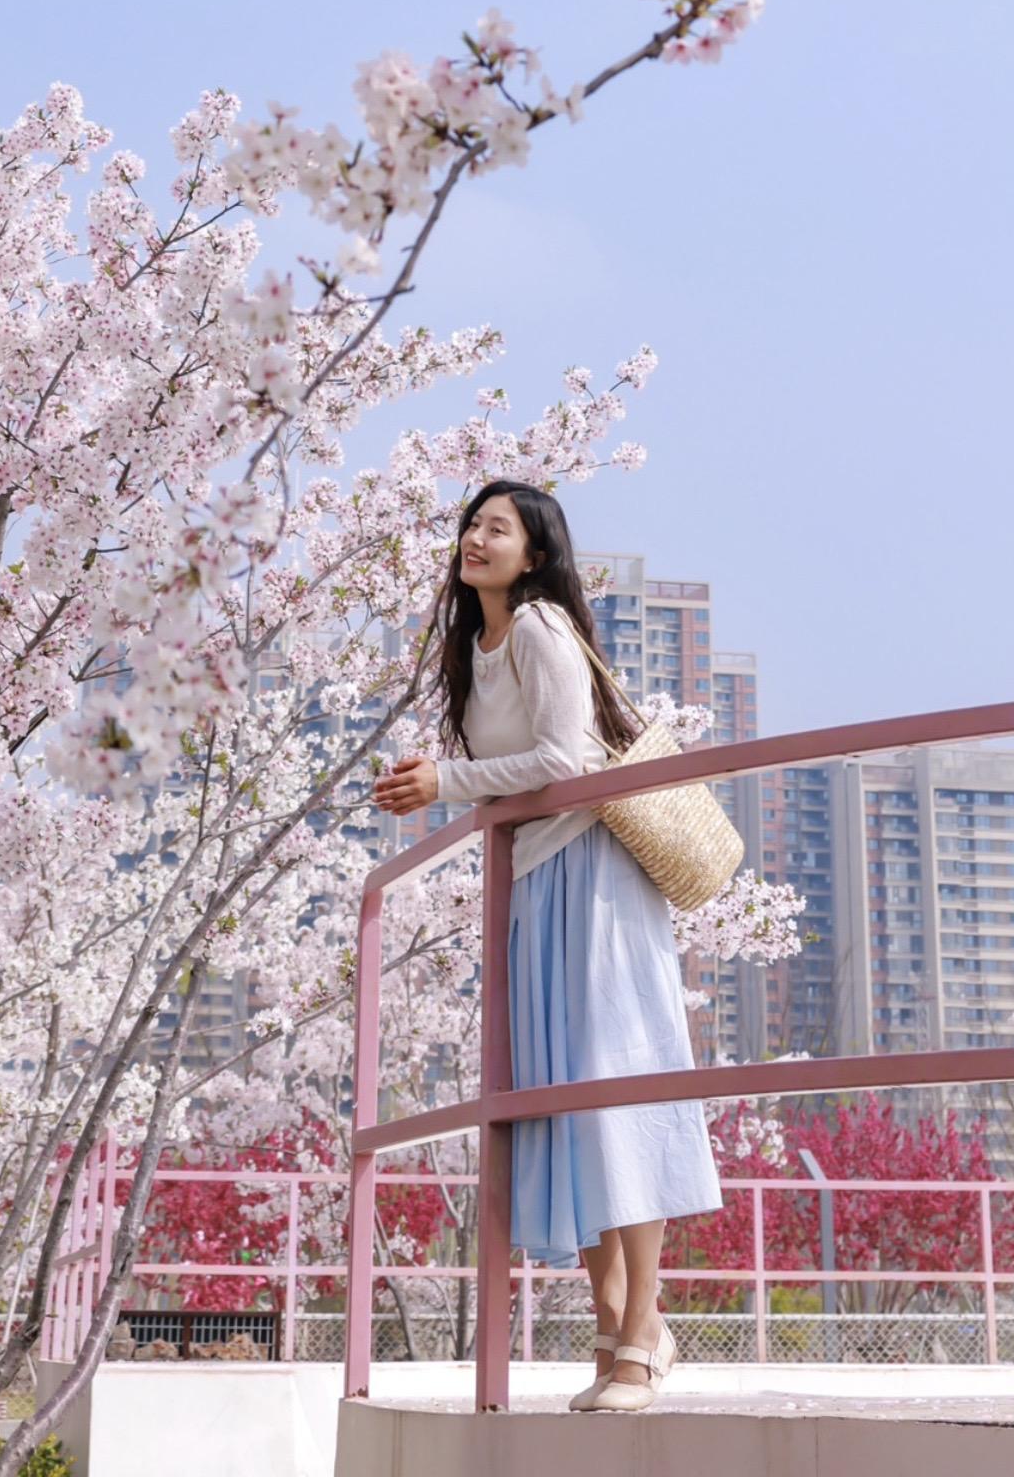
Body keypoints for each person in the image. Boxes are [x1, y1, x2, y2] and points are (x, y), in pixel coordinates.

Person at [374, 479, 720, 1412]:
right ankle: (616, 1327)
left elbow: (569, 762)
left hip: (596, 880)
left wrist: (445, 781)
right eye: (471, 525)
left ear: (535, 556)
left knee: (609, 1088)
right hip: (538, 883)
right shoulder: (476, 649)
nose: (476, 539)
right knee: (560, 1105)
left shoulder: (538, 629)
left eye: (499, 529)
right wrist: (445, 781)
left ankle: (641, 1333)